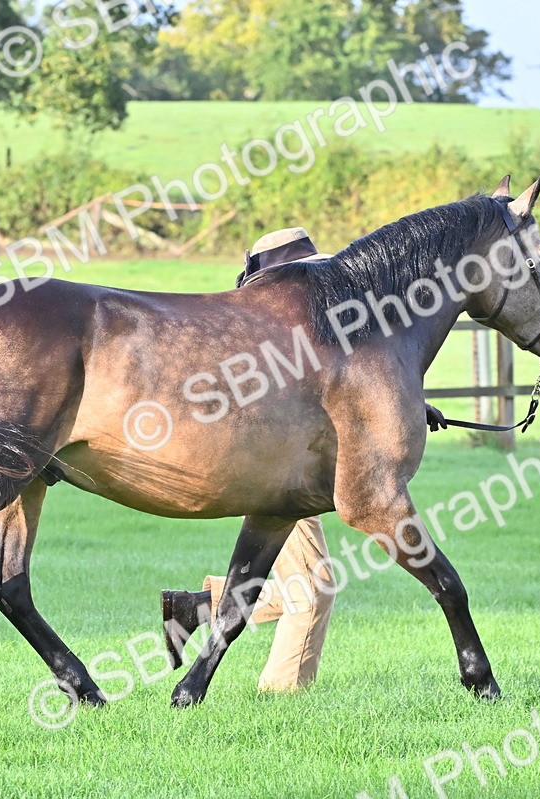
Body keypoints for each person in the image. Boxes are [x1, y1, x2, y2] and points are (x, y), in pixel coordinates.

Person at [160, 228, 448, 692]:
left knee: (312, 585)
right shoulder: (277, 334)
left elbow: (349, 383)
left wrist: (414, 405)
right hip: (285, 469)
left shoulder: (312, 327)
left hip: (304, 462)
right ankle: (281, 691)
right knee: (315, 587)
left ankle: (197, 607)